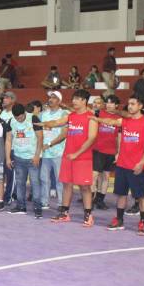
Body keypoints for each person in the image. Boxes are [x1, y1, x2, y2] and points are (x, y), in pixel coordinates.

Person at [98, 96, 144, 236]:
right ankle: (119, 220)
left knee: (141, 196)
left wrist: (142, 162)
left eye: (133, 104)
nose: (129, 106)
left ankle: (142, 222)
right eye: (128, 104)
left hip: (137, 166)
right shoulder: (125, 121)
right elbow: (110, 121)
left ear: (140, 106)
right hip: (122, 164)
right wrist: (95, 119)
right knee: (121, 194)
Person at [40, 89, 98, 227]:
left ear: (84, 101)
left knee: (85, 187)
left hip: (82, 158)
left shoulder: (91, 117)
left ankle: (88, 215)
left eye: (77, 99)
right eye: (73, 99)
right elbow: (56, 122)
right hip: (68, 156)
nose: (74, 101)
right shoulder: (70, 116)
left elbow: (91, 138)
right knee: (67, 185)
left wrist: (77, 154)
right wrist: (43, 123)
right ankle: (64, 213)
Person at [5, 103, 43, 216]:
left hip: (32, 158)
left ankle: (37, 207)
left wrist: (37, 155)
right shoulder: (11, 121)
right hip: (18, 157)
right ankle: (21, 206)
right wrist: (7, 158)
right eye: (17, 118)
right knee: (20, 183)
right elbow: (8, 140)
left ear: (24, 113)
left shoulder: (33, 118)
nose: (19, 120)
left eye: (21, 117)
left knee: (35, 183)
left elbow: (40, 138)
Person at [39, 91, 68, 213]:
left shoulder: (64, 114)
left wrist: (50, 144)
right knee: (44, 178)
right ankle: (44, 202)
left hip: (58, 152)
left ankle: (61, 203)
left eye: (54, 97)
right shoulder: (43, 114)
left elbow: (64, 134)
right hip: (45, 153)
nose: (50, 99)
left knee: (59, 179)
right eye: (50, 97)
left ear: (59, 101)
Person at [92, 95, 120, 210]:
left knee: (106, 176)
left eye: (111, 103)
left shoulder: (119, 119)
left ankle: (100, 200)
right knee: (94, 175)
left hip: (111, 151)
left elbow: (119, 137)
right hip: (98, 149)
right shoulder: (99, 113)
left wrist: (118, 152)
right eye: (107, 103)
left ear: (116, 105)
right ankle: (91, 198)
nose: (109, 105)